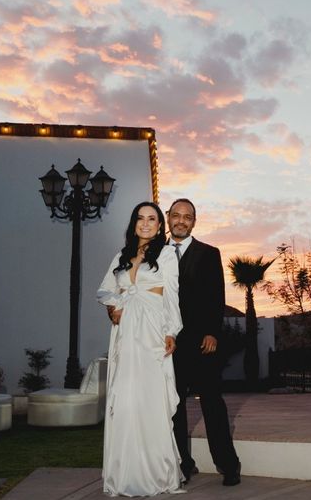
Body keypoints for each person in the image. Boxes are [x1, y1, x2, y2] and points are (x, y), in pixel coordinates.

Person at [97, 202, 184, 496]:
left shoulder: (167, 253)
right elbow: (105, 289)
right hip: (125, 335)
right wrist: (113, 306)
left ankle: (156, 475)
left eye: (152, 219)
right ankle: (124, 474)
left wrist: (171, 330)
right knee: (125, 401)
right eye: (140, 218)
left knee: (150, 401)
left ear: (160, 225)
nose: (146, 223)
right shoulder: (121, 256)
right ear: (133, 223)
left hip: (151, 334)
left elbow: (172, 295)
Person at [167, 199, 241, 487]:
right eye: (176, 215)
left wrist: (213, 332)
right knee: (175, 408)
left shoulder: (209, 254)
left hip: (201, 343)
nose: (181, 221)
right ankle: (183, 464)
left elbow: (216, 297)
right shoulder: (156, 254)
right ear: (168, 218)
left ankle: (228, 464)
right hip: (169, 345)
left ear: (194, 222)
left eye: (187, 217)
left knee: (212, 403)